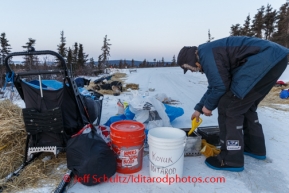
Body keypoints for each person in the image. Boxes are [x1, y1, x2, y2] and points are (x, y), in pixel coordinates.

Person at [177, 36, 289, 172]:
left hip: (265, 60)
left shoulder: (206, 55)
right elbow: (215, 85)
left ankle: (230, 159)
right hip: (276, 58)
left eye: (190, 68)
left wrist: (208, 106)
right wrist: (199, 109)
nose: (193, 70)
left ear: (191, 61)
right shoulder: (207, 52)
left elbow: (220, 87)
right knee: (245, 106)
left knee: (229, 107)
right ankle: (254, 148)